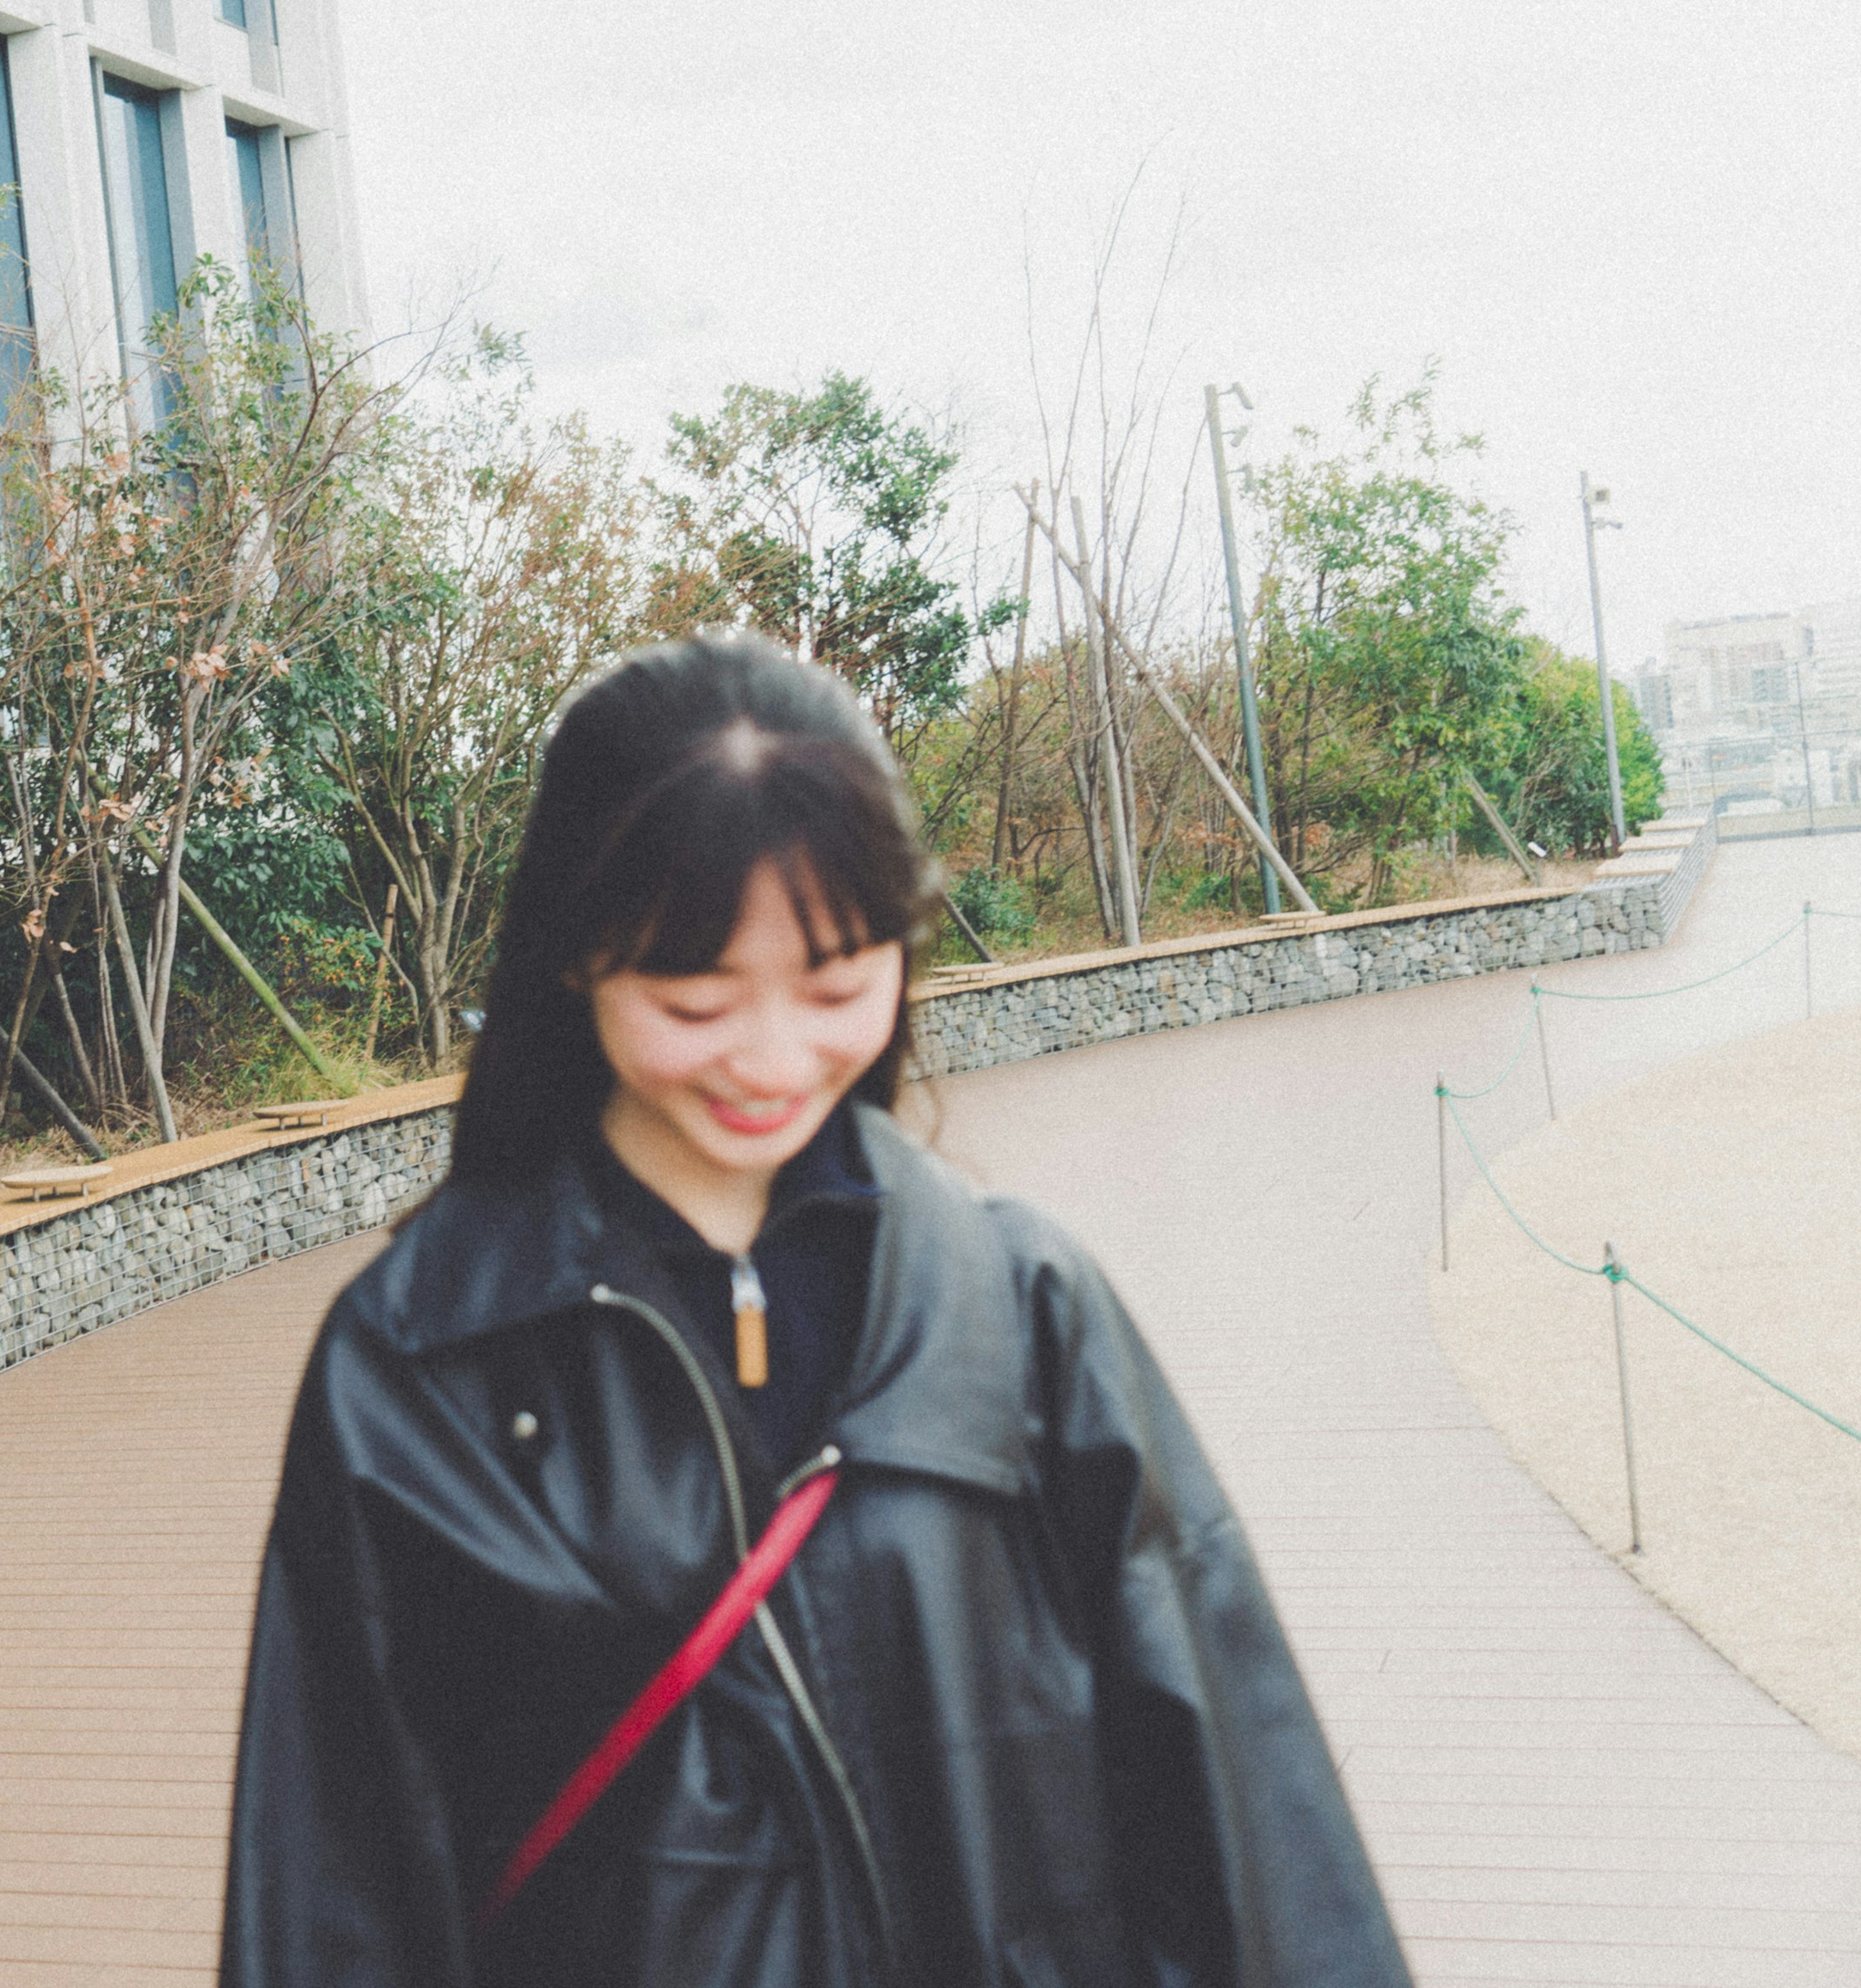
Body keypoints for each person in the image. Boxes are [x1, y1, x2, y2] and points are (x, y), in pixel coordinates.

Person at [218, 633, 1408, 1987]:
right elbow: (332, 1888)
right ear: (573, 956)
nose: (774, 1060)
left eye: (839, 984)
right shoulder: (416, 1366)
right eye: (695, 996)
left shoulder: (1023, 1313)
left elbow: (1244, 1821)